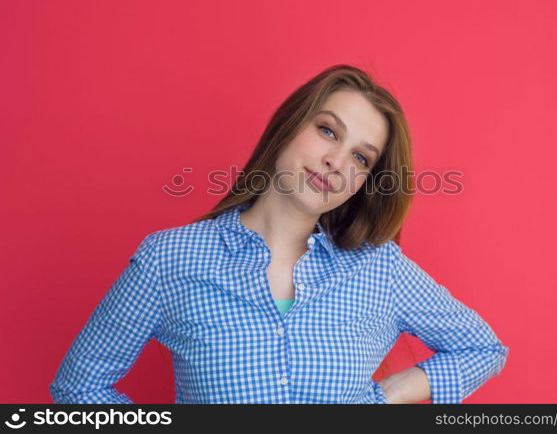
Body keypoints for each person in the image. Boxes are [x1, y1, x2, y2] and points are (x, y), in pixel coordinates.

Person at [49, 64, 509, 404]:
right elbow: (78, 387)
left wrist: (387, 396)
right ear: (289, 127)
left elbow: (484, 348)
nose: (336, 161)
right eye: (328, 131)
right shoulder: (171, 259)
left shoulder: (379, 269)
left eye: (361, 158)